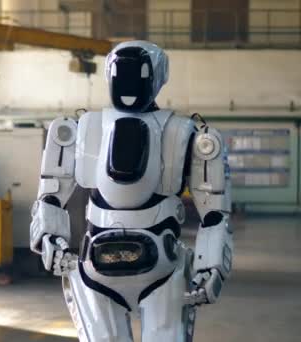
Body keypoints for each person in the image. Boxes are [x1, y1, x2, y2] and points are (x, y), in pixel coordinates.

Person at [30, 40, 233, 341]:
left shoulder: (182, 132)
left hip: (155, 266)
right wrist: (49, 240)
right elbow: (50, 195)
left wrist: (211, 266)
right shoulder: (82, 128)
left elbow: (214, 212)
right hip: (105, 265)